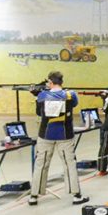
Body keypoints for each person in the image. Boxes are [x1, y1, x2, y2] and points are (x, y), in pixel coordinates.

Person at [29, 71, 89, 206]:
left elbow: (39, 112)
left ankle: (34, 196)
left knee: (41, 164)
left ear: (50, 82)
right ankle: (76, 195)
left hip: (45, 134)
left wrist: (37, 95)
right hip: (65, 134)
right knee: (69, 164)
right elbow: (74, 104)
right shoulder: (70, 94)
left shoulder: (42, 95)